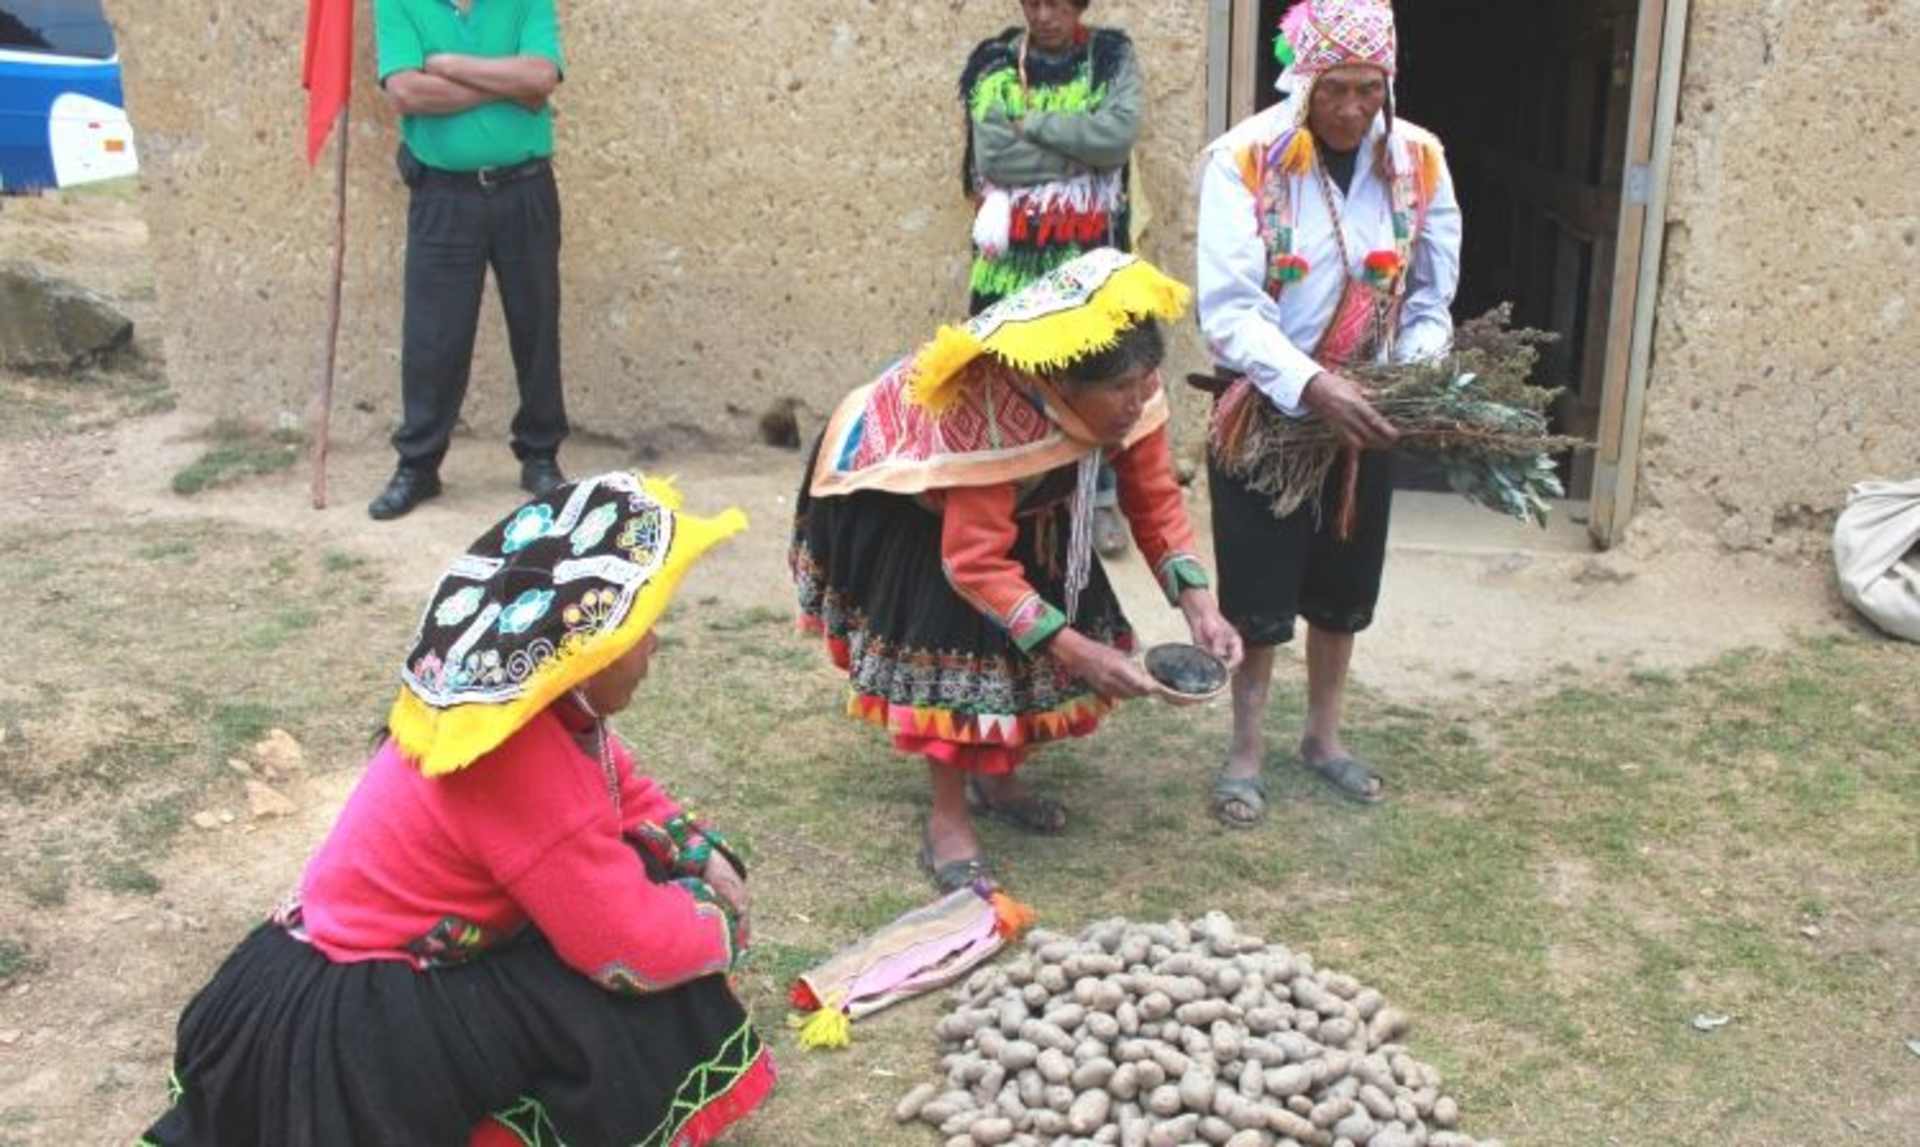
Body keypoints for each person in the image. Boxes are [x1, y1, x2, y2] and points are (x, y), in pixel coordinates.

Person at [140, 473, 774, 1147]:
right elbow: (626, 945)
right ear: (588, 657)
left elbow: (619, 786)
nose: (654, 645)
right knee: (640, 993)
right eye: (642, 629)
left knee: (640, 879)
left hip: (323, 972)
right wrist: (719, 925)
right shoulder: (517, 759)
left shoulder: (511, 703)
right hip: (358, 1026)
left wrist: (693, 846)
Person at [792, 249, 1243, 892]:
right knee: (956, 650)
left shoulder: (1132, 388)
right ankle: (948, 818)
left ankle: (996, 778)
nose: (1139, 399)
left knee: (1034, 616)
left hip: (1022, 498)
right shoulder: (988, 412)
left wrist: (1199, 603)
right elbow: (973, 563)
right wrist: (1075, 648)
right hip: (918, 500)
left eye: (1147, 380)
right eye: (1121, 389)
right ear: (1063, 386)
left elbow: (1153, 496)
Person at [1195, 0, 1461, 825]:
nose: (1353, 108)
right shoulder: (1244, 161)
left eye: (1369, 90)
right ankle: (1244, 752)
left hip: (1364, 411)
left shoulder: (1418, 160)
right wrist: (1311, 384)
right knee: (1260, 590)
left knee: (1343, 587)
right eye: (1336, 88)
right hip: (1271, 410)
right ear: (1303, 81)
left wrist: (1404, 379)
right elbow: (1230, 311)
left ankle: (1322, 738)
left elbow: (1430, 296)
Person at [367, 0, 571, 521]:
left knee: (536, 322)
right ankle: (418, 466)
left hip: (524, 188)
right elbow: (406, 91)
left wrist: (448, 64)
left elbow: (542, 75)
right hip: (442, 197)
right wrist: (511, 88)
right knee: (434, 336)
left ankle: (541, 455)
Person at [961, 0, 1144, 559]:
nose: (1044, 15)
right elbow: (994, 156)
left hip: (1088, 260)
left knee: (1096, 379)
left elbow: (1116, 139)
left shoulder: (1110, 55)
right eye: (1032, 2)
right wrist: (1080, 155)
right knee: (1007, 379)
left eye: (1058, 3)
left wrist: (1034, 124)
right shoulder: (993, 61)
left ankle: (1099, 502)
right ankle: (1007, 506)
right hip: (1010, 264)